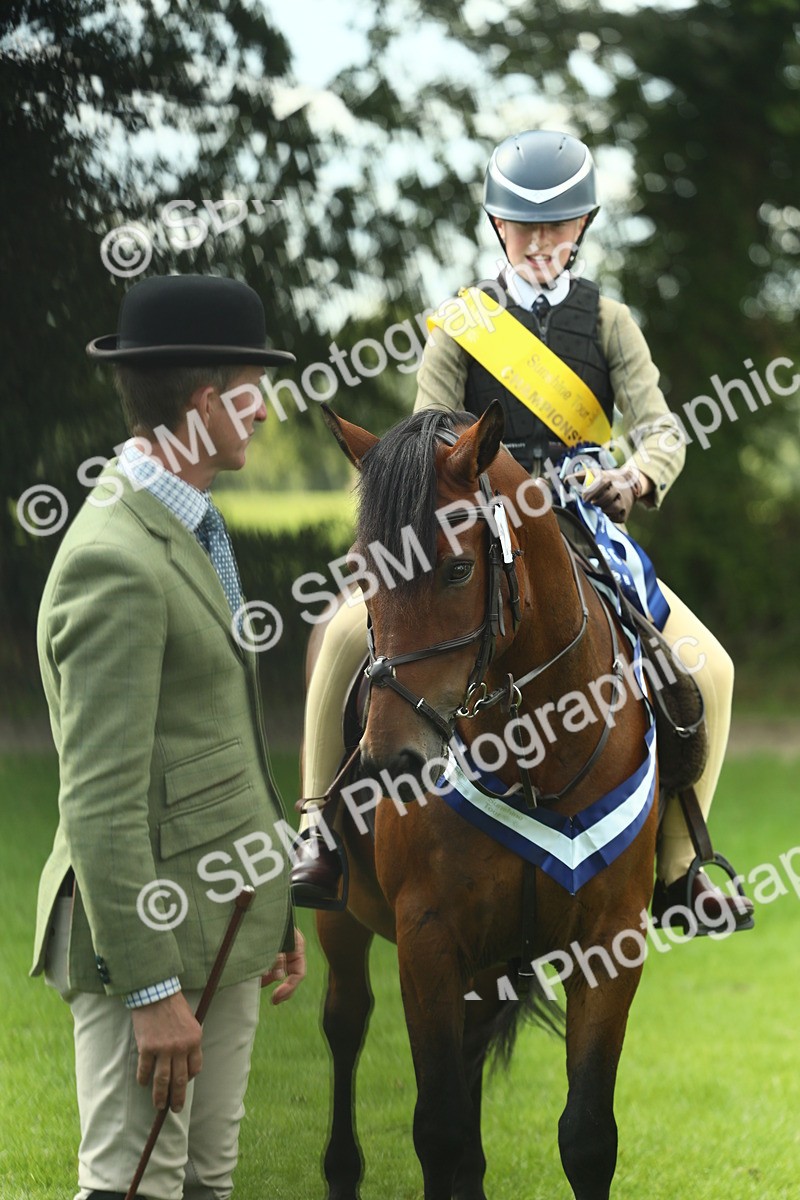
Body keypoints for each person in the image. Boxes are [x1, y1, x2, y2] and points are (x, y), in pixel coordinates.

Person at [291, 130, 753, 934]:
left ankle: (681, 870)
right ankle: (317, 831)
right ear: (498, 227)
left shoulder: (610, 321)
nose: (540, 243)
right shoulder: (461, 323)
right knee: (339, 635)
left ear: (583, 226)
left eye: (557, 226)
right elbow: (423, 437)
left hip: (581, 523)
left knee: (711, 668)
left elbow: (661, 429)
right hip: (476, 527)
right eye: (523, 227)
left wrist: (636, 476)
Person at [31, 273, 307, 1200]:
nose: (264, 410)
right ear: (204, 404)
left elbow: (217, 741)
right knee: (134, 1188)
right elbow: (99, 801)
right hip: (145, 944)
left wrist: (270, 907)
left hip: (224, 921)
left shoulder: (188, 524)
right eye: (252, 391)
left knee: (204, 1184)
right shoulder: (115, 560)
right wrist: (149, 990)